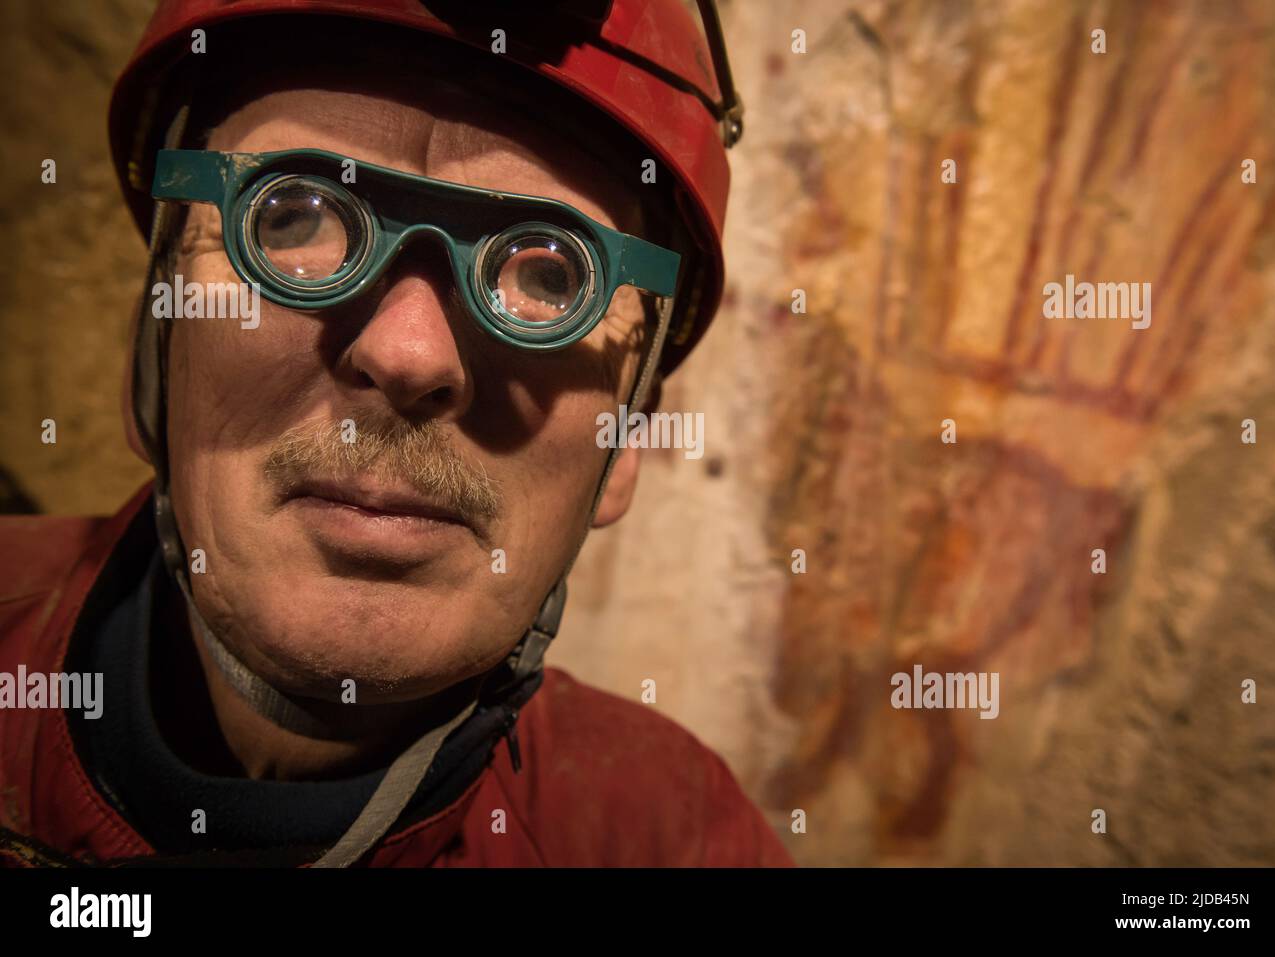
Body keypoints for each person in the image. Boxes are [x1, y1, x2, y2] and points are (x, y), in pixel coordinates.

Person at [0, 0, 793, 867]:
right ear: (153, 344)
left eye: (551, 276)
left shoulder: (671, 840)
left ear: (625, 440)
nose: (407, 353)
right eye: (292, 219)